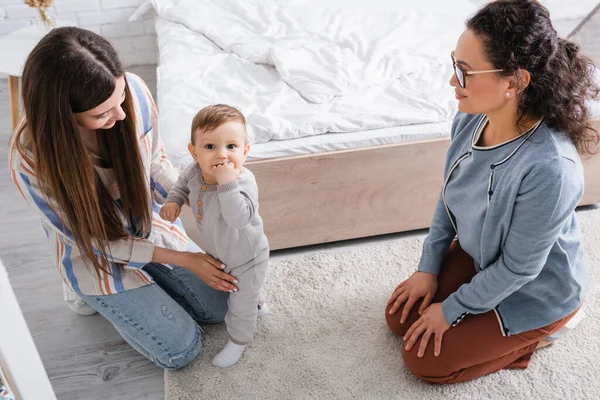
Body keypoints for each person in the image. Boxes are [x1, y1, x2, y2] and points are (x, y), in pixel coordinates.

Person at [385, 0, 599, 384]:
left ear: (515, 82)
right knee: (399, 317)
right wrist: (428, 266)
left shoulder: (551, 168)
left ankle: (544, 331)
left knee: (425, 364)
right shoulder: (470, 119)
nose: (453, 82)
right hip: (483, 253)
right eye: (454, 65)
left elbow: (519, 268)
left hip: (537, 288)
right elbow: (451, 196)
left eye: (464, 72)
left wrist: (451, 310)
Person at [9, 26, 242, 370]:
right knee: (181, 349)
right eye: (101, 114)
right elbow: (97, 242)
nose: (120, 115)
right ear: (64, 118)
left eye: (119, 102)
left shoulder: (131, 91)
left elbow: (155, 163)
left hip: (143, 223)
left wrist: (199, 199)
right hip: (94, 252)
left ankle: (148, 280)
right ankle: (91, 293)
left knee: (221, 306)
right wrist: (186, 261)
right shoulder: (30, 160)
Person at [160, 104, 270, 367]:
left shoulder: (243, 182)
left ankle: (238, 341)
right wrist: (174, 201)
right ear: (194, 151)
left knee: (240, 305)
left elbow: (238, 218)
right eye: (210, 147)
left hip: (248, 257)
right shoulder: (193, 172)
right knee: (238, 293)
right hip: (218, 251)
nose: (222, 155)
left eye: (231, 147)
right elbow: (181, 186)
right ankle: (259, 303)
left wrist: (226, 183)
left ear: (245, 152)